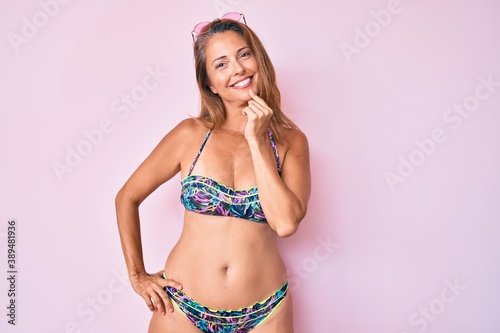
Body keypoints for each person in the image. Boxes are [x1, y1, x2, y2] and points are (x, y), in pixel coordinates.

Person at [115, 12, 311, 333]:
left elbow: (286, 224)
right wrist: (137, 275)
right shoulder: (189, 135)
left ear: (259, 61)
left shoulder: (291, 141)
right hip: (181, 308)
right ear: (210, 84)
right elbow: (127, 197)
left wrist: (258, 139)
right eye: (221, 64)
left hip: (266, 312)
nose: (237, 69)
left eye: (243, 55)